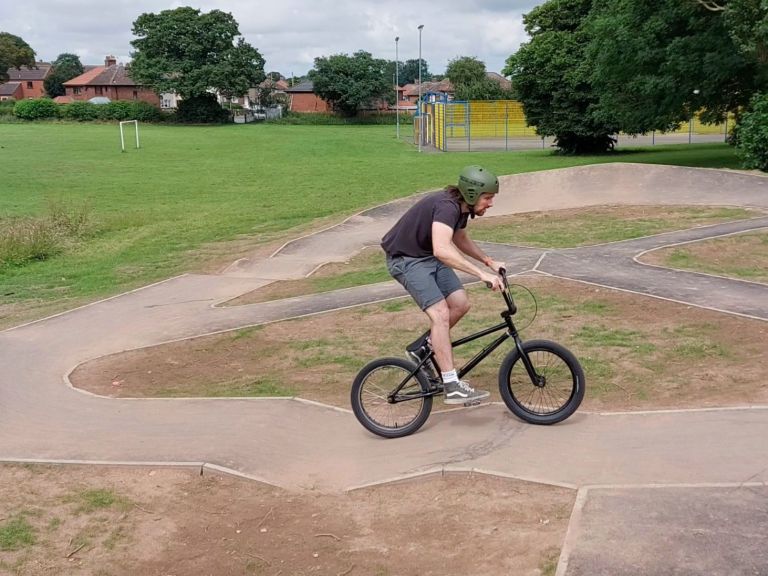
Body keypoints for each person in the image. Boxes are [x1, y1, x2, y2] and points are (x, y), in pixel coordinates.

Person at [381, 165, 504, 404]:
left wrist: (488, 262)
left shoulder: (462, 209)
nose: (491, 203)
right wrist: (481, 274)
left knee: (460, 303)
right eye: (488, 198)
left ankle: (423, 348)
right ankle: (451, 384)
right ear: (471, 194)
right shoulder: (447, 207)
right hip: (406, 259)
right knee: (440, 314)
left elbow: (460, 238)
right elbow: (442, 249)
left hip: (427, 256)